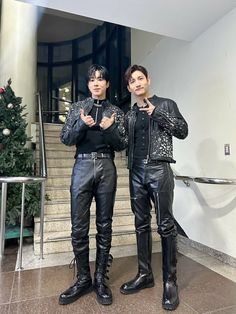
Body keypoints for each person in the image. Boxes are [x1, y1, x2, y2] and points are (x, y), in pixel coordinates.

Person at [120, 65, 188, 310]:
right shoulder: (129, 115)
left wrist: (157, 113)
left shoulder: (166, 104)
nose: (137, 83)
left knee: (166, 225)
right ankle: (144, 274)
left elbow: (182, 131)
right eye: (132, 81)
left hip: (159, 170)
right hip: (136, 172)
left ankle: (170, 282)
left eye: (140, 78)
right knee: (140, 224)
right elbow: (123, 143)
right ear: (129, 87)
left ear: (148, 80)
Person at [59, 64, 127, 306]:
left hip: (107, 166)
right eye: (92, 80)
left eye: (101, 79)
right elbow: (66, 138)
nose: (96, 83)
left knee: (104, 225)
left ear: (107, 84)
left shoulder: (115, 111)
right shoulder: (78, 107)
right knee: (78, 227)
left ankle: (99, 279)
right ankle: (83, 279)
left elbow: (122, 144)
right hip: (82, 167)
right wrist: (81, 124)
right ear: (88, 84)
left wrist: (109, 130)